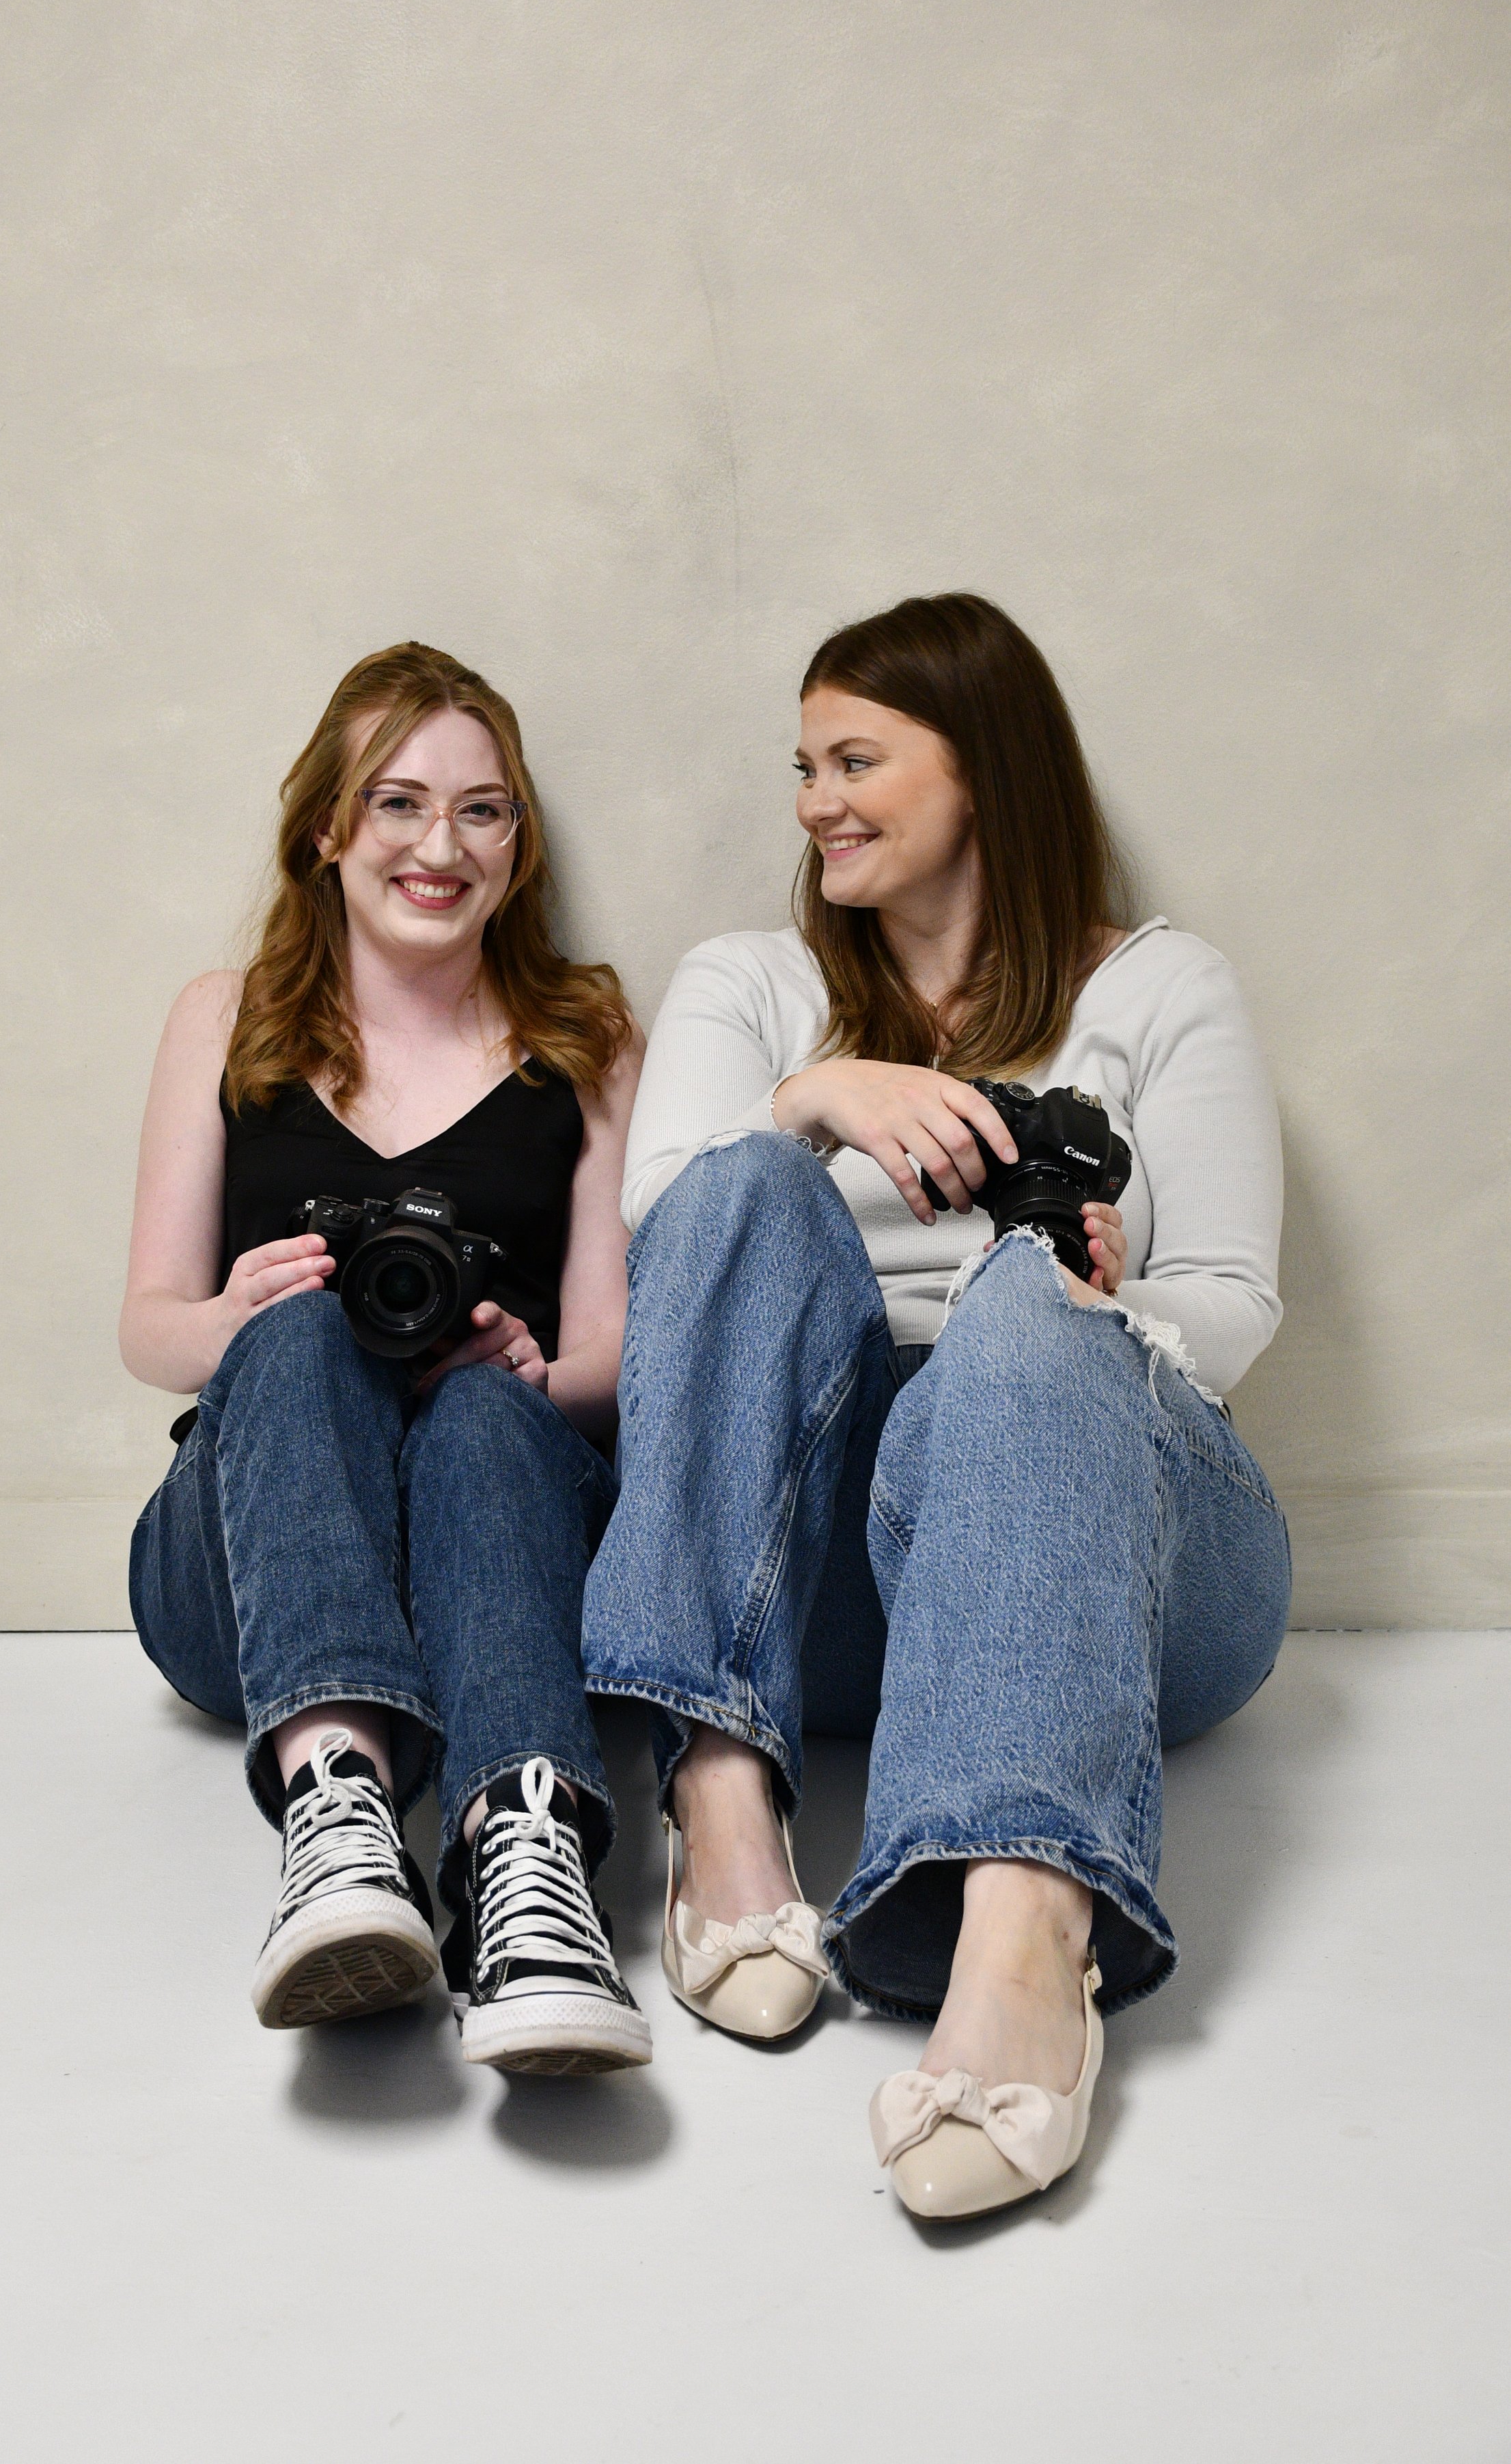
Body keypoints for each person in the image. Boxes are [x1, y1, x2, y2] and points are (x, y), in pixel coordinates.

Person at [582, 592, 1290, 2215]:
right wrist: (818, 1096)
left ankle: (1026, 1934)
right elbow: (672, 1240)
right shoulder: (750, 984)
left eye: (855, 759)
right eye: (802, 765)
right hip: (817, 1577)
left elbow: (1234, 1301)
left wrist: (1099, 1307)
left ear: (984, 772)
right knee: (742, 1184)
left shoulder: (1160, 991)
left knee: (1026, 1314)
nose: (814, 800)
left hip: (1116, 1559)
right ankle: (721, 1800)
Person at [121, 642, 651, 2077]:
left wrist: (529, 1362)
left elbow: (615, 1354)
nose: (438, 845)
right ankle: (340, 1823)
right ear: (327, 828)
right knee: (297, 1324)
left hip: (500, 1554)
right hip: (240, 1574)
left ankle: (523, 1869)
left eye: (481, 811)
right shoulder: (225, 1019)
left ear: (516, 841)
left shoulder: (586, 1035)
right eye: (398, 803)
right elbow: (149, 1330)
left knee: (484, 1412)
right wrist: (246, 1309)